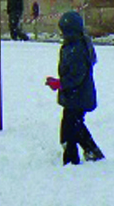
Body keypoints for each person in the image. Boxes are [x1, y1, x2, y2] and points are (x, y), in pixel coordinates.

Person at [44, 9, 104, 164]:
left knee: (70, 128)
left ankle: (71, 159)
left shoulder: (77, 48)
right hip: (76, 94)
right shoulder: (74, 44)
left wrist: (60, 83)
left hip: (78, 94)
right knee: (75, 125)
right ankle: (91, 151)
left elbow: (77, 76)